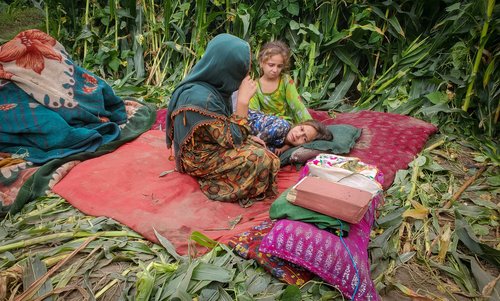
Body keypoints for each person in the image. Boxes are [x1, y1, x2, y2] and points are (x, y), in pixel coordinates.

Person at [166, 33, 279, 204]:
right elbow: (232, 139)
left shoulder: (215, 86)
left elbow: (228, 129)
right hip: (198, 159)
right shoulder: (200, 99)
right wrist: (242, 102)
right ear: (228, 68)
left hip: (214, 142)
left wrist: (248, 138)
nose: (245, 74)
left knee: (265, 151)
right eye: (242, 69)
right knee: (259, 158)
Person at [249, 40, 312, 124]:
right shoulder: (255, 86)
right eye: (271, 65)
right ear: (261, 63)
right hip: (268, 125)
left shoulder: (285, 81)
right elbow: (254, 113)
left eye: (279, 66)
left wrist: (310, 124)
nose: (275, 70)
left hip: (286, 122)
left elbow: (297, 104)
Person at [247, 110, 333, 155]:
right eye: (301, 129)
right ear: (299, 124)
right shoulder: (281, 127)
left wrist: (283, 148)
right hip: (242, 118)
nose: (298, 135)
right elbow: (255, 143)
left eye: (304, 138)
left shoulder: (288, 145)